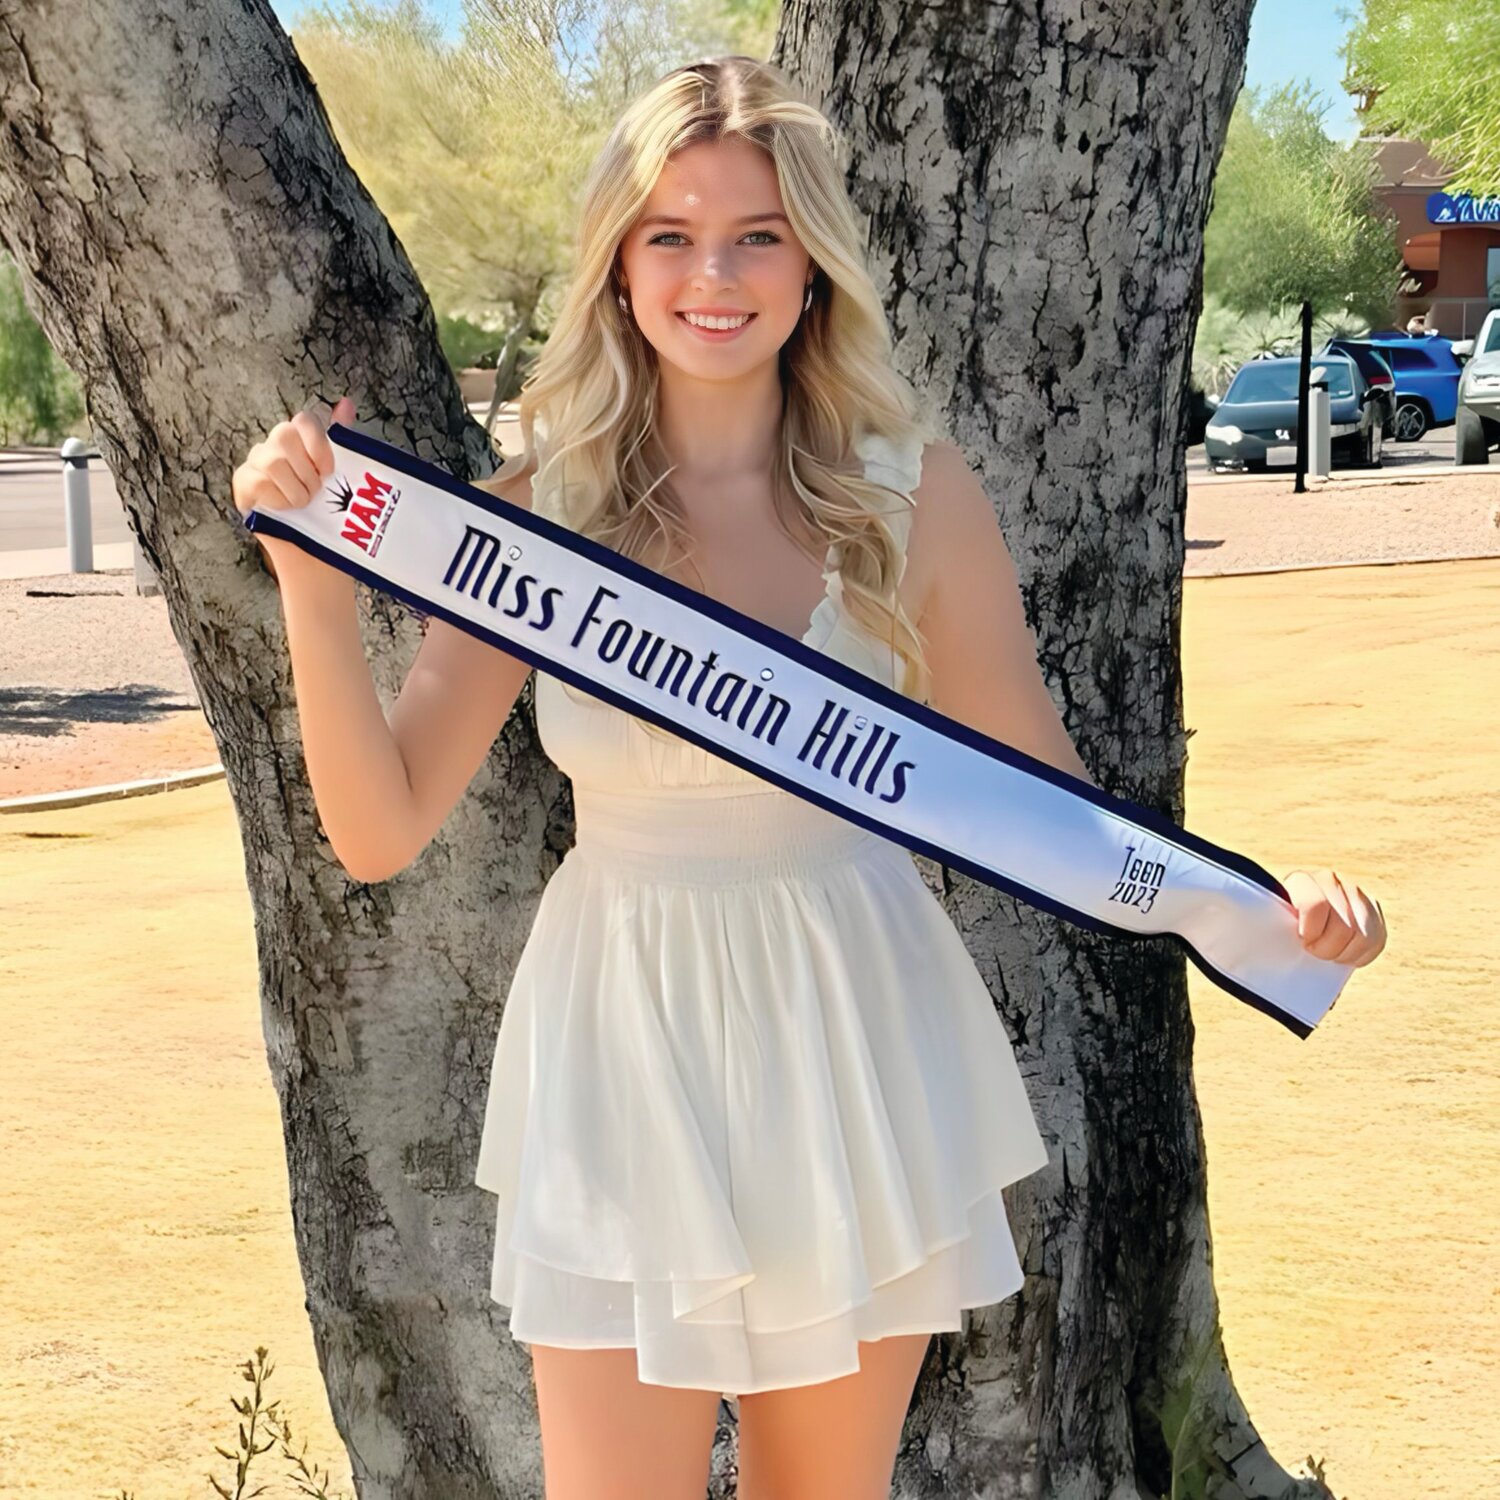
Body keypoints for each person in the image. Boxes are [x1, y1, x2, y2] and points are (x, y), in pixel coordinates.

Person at [231, 53, 1387, 1500]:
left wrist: (1275, 913)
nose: (713, 274)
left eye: (756, 235)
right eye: (671, 235)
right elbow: (381, 825)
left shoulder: (912, 497)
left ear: (812, 262)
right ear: (618, 264)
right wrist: (317, 592)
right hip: (620, 1032)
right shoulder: (537, 520)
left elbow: (1053, 807)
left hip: (852, 1028)